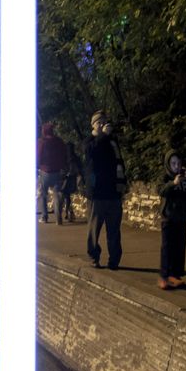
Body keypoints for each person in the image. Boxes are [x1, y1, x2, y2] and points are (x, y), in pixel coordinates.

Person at [82, 110, 127, 269]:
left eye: (104, 122)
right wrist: (104, 136)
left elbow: (119, 163)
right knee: (94, 230)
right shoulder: (90, 141)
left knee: (114, 230)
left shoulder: (112, 142)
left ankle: (114, 260)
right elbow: (91, 153)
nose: (102, 125)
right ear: (93, 125)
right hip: (97, 194)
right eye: (98, 122)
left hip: (113, 192)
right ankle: (94, 256)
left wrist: (122, 185)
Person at [157, 151, 186, 289]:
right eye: (173, 163)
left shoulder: (185, 177)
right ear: (168, 164)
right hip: (168, 217)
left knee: (179, 247)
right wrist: (173, 183)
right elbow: (160, 190)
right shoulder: (165, 177)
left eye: (178, 163)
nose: (176, 166)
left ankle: (175, 275)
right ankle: (164, 276)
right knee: (167, 248)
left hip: (182, 217)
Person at [37, 123, 68, 224]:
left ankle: (44, 216)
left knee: (43, 194)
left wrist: (37, 167)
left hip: (44, 171)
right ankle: (58, 217)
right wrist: (63, 167)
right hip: (57, 171)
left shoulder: (41, 142)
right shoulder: (59, 141)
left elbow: (38, 156)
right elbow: (64, 154)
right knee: (57, 194)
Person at [60, 142, 82, 222]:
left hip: (66, 179)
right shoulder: (76, 157)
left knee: (66, 196)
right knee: (69, 197)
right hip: (73, 179)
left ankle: (67, 212)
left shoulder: (64, 157)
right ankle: (70, 213)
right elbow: (80, 168)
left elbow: (61, 168)